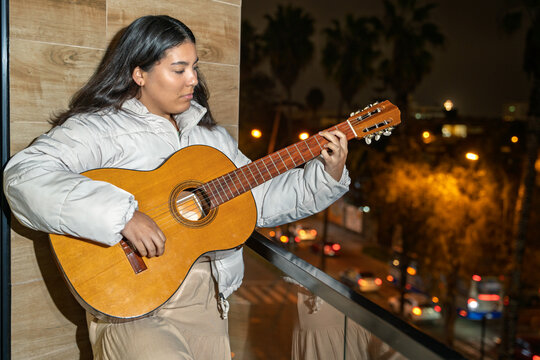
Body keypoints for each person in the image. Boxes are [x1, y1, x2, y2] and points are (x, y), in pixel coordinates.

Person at [3, 15, 350, 360]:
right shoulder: (98, 128)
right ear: (139, 73)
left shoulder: (211, 139)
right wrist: (121, 215)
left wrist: (325, 174)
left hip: (207, 307)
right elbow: (23, 176)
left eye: (194, 68)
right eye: (179, 69)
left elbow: (262, 201)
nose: (193, 80)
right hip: (128, 305)